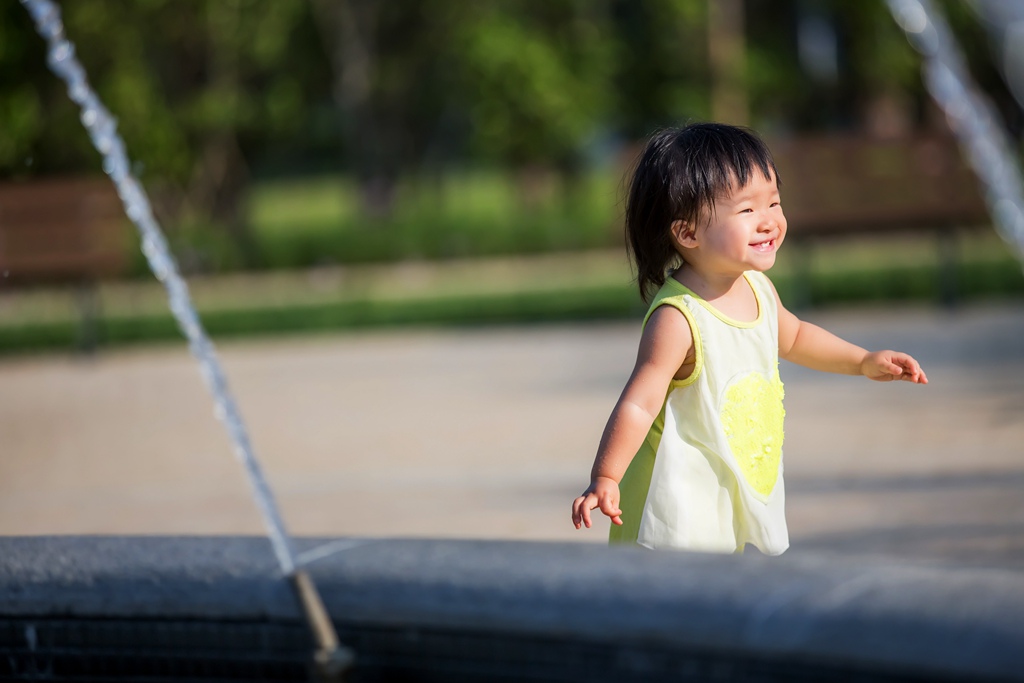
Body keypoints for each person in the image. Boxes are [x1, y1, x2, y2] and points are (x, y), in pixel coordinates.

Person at [570, 122, 928, 555]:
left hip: (731, 482)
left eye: (774, 202)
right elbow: (639, 402)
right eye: (747, 211)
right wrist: (605, 478)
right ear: (687, 233)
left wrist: (863, 361)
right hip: (676, 504)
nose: (769, 221)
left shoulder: (758, 288)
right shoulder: (679, 317)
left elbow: (794, 337)